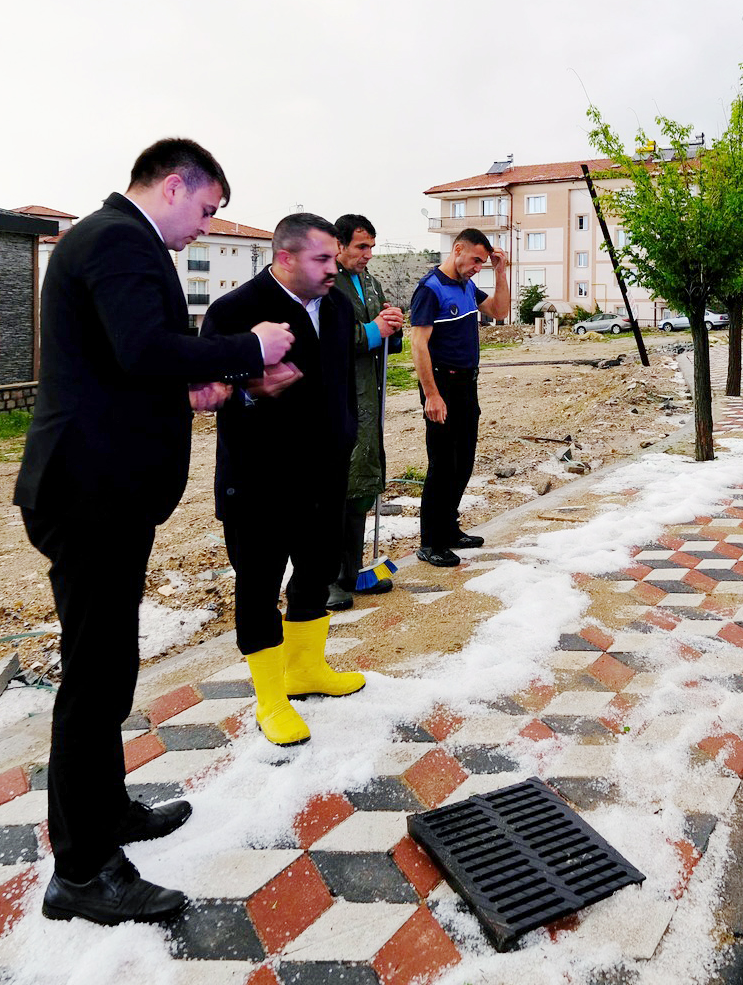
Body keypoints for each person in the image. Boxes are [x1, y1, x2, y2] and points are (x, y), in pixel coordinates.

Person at [15, 139, 293, 926]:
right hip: (87, 493)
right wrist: (250, 348)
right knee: (94, 678)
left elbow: (122, 366)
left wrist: (192, 390)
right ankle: (82, 870)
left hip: (105, 489)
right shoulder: (116, 239)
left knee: (111, 666)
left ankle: (107, 812)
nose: (207, 225)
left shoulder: (117, 239)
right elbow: (142, 347)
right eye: (206, 208)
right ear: (173, 186)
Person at [200, 213, 398, 745]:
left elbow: (341, 380)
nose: (335, 268)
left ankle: (306, 668)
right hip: (259, 478)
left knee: (316, 570)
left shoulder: (335, 306)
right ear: (285, 258)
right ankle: (270, 700)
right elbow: (202, 388)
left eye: (335, 257)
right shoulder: (235, 311)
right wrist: (248, 389)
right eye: (322, 259)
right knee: (259, 583)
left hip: (325, 470)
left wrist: (346, 434)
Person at [409, 228, 511, 568]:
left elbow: (499, 311)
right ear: (457, 250)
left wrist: (500, 271)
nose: (477, 267)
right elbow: (418, 345)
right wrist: (432, 395)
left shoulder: (466, 285)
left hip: (467, 384)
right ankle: (430, 542)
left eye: (483, 262)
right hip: (442, 384)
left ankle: (449, 529)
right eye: (476, 260)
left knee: (463, 461)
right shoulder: (431, 289)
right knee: (442, 464)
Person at [328, 214, 406, 611]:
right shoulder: (327, 284)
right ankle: (325, 578)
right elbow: (333, 338)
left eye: (372, 247)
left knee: (362, 484)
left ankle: (352, 571)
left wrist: (394, 324)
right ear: (339, 245)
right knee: (336, 487)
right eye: (361, 247)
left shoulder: (371, 282)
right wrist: (377, 329)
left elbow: (384, 336)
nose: (368, 254)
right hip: (340, 398)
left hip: (369, 398)